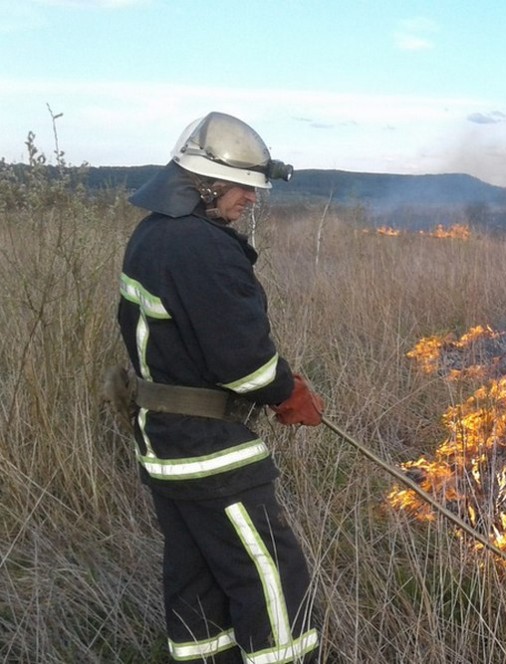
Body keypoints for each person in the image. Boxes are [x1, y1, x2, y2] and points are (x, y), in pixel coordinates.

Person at [117, 112, 324, 663]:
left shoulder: (152, 234)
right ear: (204, 183)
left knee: (197, 582)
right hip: (209, 452)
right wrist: (286, 392)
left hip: (165, 447)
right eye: (243, 187)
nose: (252, 199)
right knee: (272, 580)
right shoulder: (200, 247)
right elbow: (243, 363)